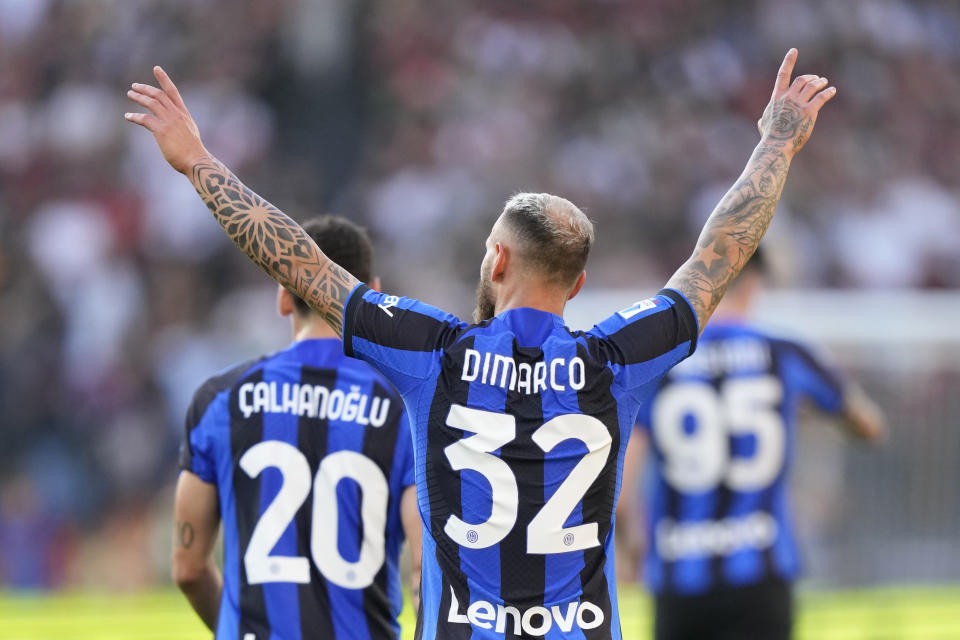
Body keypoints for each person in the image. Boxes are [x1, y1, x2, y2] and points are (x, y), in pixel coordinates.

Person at [127, 48, 836, 639]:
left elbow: (299, 264)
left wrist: (198, 164)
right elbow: (717, 257)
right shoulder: (617, 362)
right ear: (580, 283)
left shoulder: (432, 356)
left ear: (495, 261)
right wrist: (776, 143)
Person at [171, 215, 422, 640]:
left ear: (284, 299)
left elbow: (188, 567)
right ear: (373, 295)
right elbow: (422, 571)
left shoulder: (220, 399)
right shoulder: (406, 409)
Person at [617, 248, 886, 640]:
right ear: (755, 284)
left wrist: (631, 549)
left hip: (679, 575)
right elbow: (868, 425)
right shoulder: (785, 352)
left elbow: (623, 483)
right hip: (762, 574)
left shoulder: (661, 364)